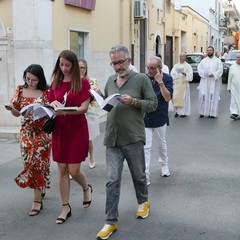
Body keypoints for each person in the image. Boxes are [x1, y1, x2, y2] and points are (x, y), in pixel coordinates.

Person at [96, 45, 157, 240]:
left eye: (120, 62)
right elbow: (109, 106)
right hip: (112, 138)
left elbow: (153, 104)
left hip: (133, 137)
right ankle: (110, 222)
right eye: (114, 63)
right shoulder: (110, 80)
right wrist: (99, 96)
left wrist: (133, 102)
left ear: (129, 60)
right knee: (112, 180)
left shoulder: (141, 79)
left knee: (138, 175)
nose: (117, 66)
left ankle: (143, 201)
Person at [48, 50, 92, 224]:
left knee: (74, 170)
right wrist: (51, 105)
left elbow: (83, 108)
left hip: (77, 129)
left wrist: (64, 111)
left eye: (67, 65)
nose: (64, 68)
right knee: (62, 169)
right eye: (61, 64)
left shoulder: (82, 82)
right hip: (60, 129)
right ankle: (65, 206)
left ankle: (86, 188)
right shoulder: (55, 83)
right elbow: (51, 105)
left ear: (73, 65)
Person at [5, 64, 51, 216]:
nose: (30, 82)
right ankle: (41, 186)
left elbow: (51, 110)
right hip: (26, 133)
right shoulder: (19, 89)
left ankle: (37, 201)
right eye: (28, 79)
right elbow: (17, 113)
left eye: (34, 80)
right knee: (28, 163)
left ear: (40, 79)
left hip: (42, 133)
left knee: (37, 165)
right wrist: (11, 108)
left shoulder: (46, 92)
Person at [144, 56, 173, 186]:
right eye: (148, 68)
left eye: (152, 68)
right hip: (145, 117)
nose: (149, 71)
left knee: (161, 143)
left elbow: (167, 98)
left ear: (159, 68)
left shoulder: (167, 78)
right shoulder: (144, 79)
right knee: (146, 147)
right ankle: (145, 175)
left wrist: (160, 82)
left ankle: (164, 164)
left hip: (160, 116)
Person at [78, 58, 100, 168]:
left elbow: (95, 97)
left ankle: (91, 156)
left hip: (88, 112)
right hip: (75, 112)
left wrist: (95, 93)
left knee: (88, 138)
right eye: (77, 67)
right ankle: (75, 163)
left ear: (85, 69)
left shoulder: (91, 81)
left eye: (82, 67)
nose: (79, 69)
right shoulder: (70, 81)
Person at [197, 46, 223, 118]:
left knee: (213, 97)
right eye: (208, 50)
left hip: (213, 82)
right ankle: (202, 112)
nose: (209, 51)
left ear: (213, 51)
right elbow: (199, 69)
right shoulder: (203, 61)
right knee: (203, 96)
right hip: (205, 81)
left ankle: (212, 113)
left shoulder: (218, 61)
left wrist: (214, 74)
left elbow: (220, 70)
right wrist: (204, 74)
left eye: (210, 50)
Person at [170, 52, 193, 117]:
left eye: (182, 56)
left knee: (183, 98)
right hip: (177, 84)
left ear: (185, 57)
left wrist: (185, 74)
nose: (181, 57)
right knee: (176, 98)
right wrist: (176, 73)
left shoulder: (188, 66)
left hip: (184, 84)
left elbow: (191, 75)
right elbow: (172, 73)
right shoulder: (176, 65)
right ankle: (177, 112)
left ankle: (183, 112)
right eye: (180, 56)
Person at [227, 53, 240, 120]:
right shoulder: (232, 67)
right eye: (237, 57)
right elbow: (230, 78)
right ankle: (234, 113)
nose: (239, 59)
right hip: (234, 87)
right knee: (233, 100)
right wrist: (229, 87)